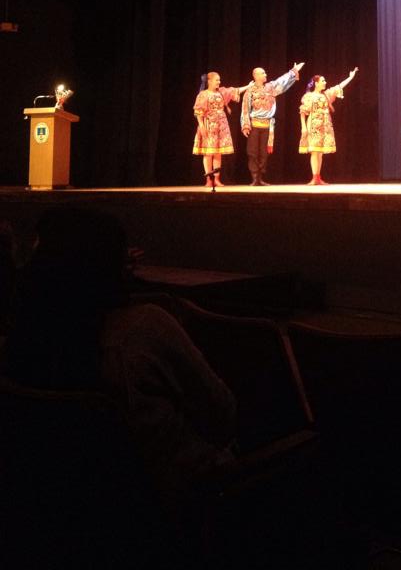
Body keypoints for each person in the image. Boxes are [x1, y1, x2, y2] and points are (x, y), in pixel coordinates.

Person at [4, 207, 237, 508]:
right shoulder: (145, 330)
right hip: (173, 513)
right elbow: (223, 416)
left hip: (63, 514)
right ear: (113, 265)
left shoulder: (21, 341)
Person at [241, 62, 305, 185]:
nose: (266, 74)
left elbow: (282, 80)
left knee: (264, 153)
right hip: (254, 125)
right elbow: (245, 109)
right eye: (263, 73)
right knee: (253, 152)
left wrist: (293, 71)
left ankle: (260, 177)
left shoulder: (270, 87)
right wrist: (245, 125)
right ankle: (254, 177)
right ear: (255, 75)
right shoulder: (250, 92)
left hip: (267, 125)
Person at [299, 68, 358, 185]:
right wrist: (303, 127)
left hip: (325, 126)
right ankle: (314, 177)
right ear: (316, 83)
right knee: (314, 151)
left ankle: (318, 177)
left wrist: (350, 77)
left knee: (320, 153)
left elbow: (339, 87)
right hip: (314, 125)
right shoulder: (309, 96)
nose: (325, 82)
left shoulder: (326, 95)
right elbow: (302, 112)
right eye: (323, 81)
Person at [192, 72, 251, 187]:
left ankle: (217, 179)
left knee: (218, 153)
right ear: (209, 81)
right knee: (208, 153)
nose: (219, 82)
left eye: (219, 80)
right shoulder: (203, 95)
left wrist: (248, 86)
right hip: (209, 124)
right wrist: (202, 126)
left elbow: (235, 90)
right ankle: (209, 179)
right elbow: (198, 111)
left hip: (221, 124)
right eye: (216, 80)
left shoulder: (222, 92)